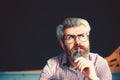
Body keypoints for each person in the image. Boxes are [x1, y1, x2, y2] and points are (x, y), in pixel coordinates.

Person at [40, 18, 112, 80]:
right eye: (70, 37)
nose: (77, 42)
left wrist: (93, 78)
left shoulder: (99, 63)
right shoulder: (52, 65)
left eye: (81, 36)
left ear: (88, 39)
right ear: (62, 43)